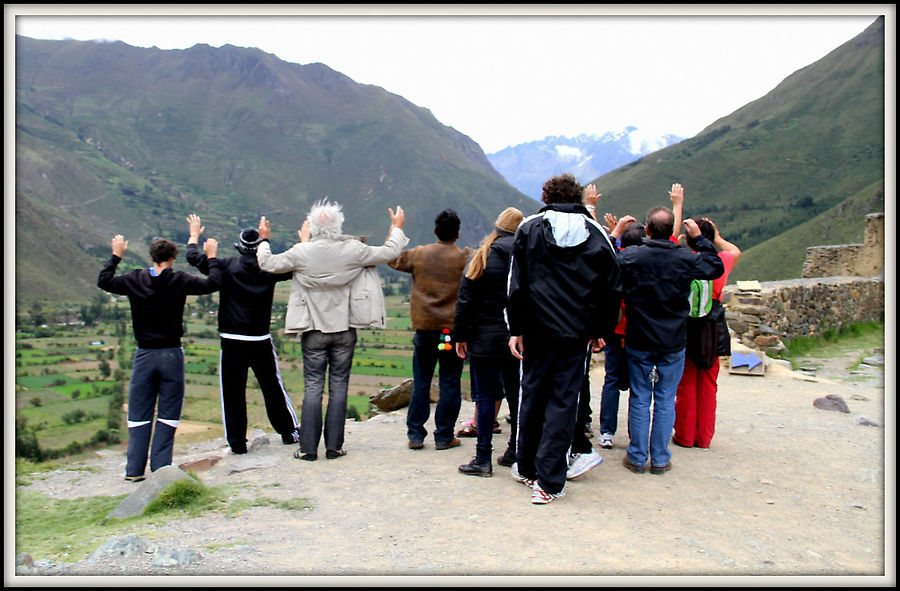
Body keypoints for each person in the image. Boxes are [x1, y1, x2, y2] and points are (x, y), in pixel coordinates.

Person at [256, 200, 408, 461]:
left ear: (312, 226)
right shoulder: (353, 249)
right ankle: (334, 447)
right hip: (345, 330)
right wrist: (396, 227)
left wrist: (264, 239)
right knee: (339, 387)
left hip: (313, 330)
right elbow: (389, 252)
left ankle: (308, 449)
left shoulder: (301, 252)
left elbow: (267, 263)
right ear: (339, 225)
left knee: (313, 387)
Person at [506, 173, 620, 504]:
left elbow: (516, 284)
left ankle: (525, 466)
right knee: (563, 401)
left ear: (546, 196)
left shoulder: (529, 228)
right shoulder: (597, 233)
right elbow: (612, 287)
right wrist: (601, 330)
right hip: (576, 333)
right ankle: (550, 482)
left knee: (532, 396)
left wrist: (516, 329)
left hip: (537, 330)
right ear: (578, 196)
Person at [98, 233, 222, 482]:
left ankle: (134, 470)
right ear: (173, 257)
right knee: (168, 412)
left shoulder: (134, 279)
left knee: (139, 412)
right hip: (171, 354)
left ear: (151, 257)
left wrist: (116, 255)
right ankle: (161, 468)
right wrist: (211, 256)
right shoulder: (179, 280)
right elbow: (214, 282)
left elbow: (105, 281)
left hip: (144, 354)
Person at [615, 195, 724, 476]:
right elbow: (715, 266)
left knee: (640, 396)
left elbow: (604, 263)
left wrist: (615, 233)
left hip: (639, 337)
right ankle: (660, 458)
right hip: (674, 339)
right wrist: (698, 238)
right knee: (665, 398)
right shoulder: (685, 258)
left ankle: (637, 457)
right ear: (671, 230)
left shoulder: (632, 256)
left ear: (648, 230)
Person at [185, 214, 299, 455]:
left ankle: (237, 444)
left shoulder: (224, 266)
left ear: (239, 247)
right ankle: (289, 432)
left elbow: (193, 257)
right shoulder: (269, 269)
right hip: (260, 338)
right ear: (260, 248)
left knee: (233, 392)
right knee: (272, 387)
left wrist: (194, 235)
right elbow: (297, 266)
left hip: (232, 339)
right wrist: (302, 241)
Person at [388, 209, 475, 451]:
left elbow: (392, 258)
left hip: (425, 331)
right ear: (457, 234)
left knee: (422, 381)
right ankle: (444, 435)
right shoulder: (465, 257)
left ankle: (416, 435)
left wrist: (395, 229)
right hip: (450, 334)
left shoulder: (419, 254)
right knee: (449, 381)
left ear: (435, 231)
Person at [452, 207, 524, 477]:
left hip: (483, 338)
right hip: (516, 338)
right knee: (517, 396)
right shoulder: (525, 257)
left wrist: (461, 336)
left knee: (485, 397)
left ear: (497, 227)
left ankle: (483, 459)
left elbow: (465, 299)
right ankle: (515, 451)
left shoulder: (481, 257)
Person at [673, 217, 741, 449]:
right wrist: (716, 238)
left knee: (687, 381)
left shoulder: (685, 261)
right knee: (709, 382)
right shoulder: (721, 261)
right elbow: (735, 250)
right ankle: (704, 437)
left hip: (688, 325)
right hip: (713, 327)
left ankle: (684, 434)